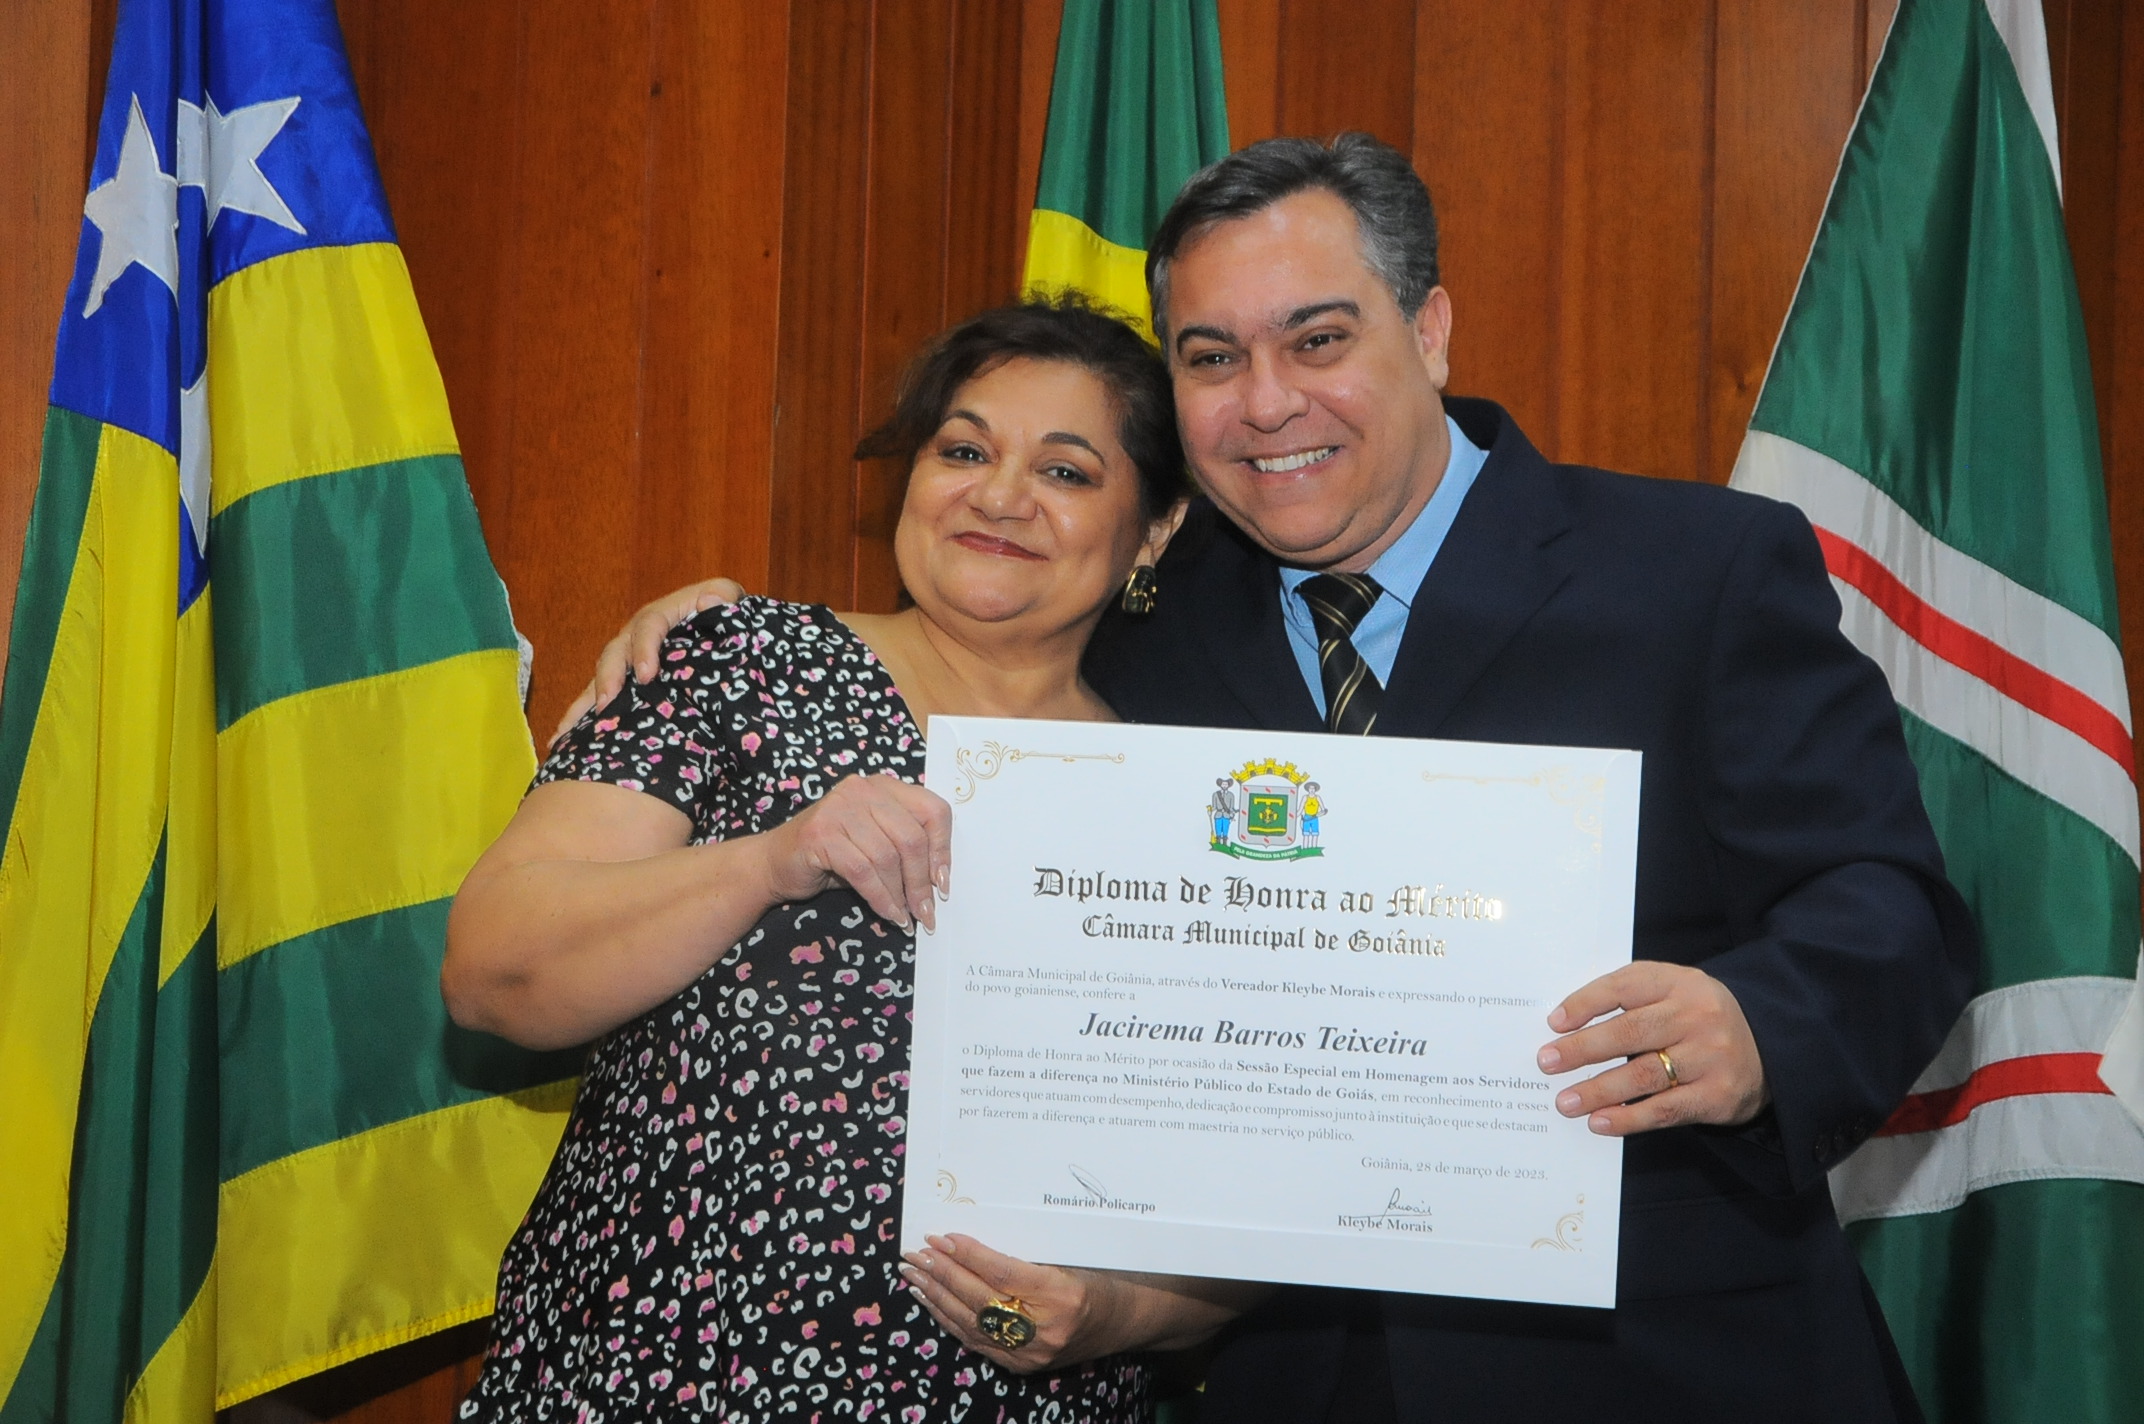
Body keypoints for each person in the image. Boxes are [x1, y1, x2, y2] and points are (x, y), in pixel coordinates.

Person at [565, 136, 1976, 1423]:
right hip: (1286, 1376)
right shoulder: (1147, 623)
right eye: (1210, 357)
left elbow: (1893, 904)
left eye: (1318, 339)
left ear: (1428, 329)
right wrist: (715, 627)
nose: (1266, 402)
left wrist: (1757, 1023)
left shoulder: (1693, 570)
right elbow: (965, 624)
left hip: (1662, 1361)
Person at [443, 297, 1266, 1423]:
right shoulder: (738, 663)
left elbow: (1256, 1210)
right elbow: (491, 974)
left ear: (1157, 528)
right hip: (648, 1381)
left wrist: (1113, 1314)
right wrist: (769, 861)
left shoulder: (1189, 807)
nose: (999, 495)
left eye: (1066, 471)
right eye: (962, 450)